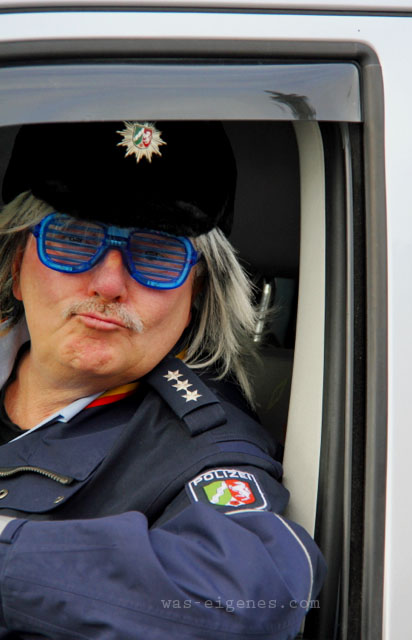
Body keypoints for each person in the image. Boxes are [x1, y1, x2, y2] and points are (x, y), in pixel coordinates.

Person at [0, 120, 325, 639]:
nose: (109, 283)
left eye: (155, 255)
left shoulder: (204, 447)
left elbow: (248, 600)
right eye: (73, 239)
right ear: (17, 263)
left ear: (196, 294)